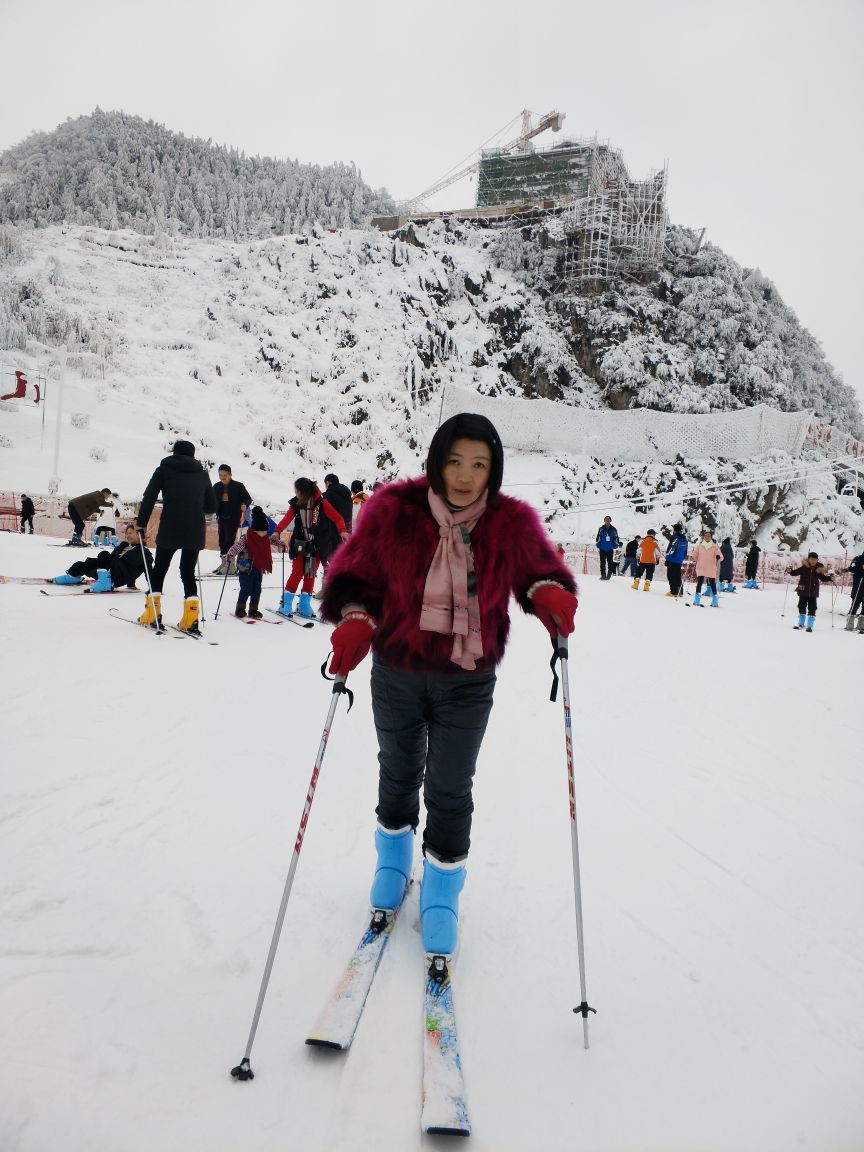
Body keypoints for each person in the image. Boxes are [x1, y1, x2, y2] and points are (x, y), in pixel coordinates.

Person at [320, 412, 578, 962]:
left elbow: (540, 571)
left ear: (494, 471)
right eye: (455, 461)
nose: (465, 475)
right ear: (437, 461)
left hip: (468, 679)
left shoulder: (509, 523)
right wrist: (356, 617)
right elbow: (355, 576)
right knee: (398, 767)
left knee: (451, 786)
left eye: (479, 464)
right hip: (397, 671)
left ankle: (440, 894)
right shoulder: (393, 511)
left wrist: (550, 593)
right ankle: (391, 866)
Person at [134, 441, 217, 632]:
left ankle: (152, 614)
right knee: (187, 572)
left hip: (171, 526)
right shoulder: (202, 474)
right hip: (195, 529)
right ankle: (191, 619)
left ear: (174, 453)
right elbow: (212, 506)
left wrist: (141, 524)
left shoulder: (163, 470)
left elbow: (149, 498)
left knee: (160, 569)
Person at [272, 478, 348, 618]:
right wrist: (277, 531)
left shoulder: (322, 503)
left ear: (304, 492)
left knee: (310, 574)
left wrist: (342, 531)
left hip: (317, 545)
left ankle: (304, 604)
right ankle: (286, 604)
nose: (296, 494)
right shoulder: (296, 503)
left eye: (297, 491)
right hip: (300, 544)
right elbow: (287, 519)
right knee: (297, 572)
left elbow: (338, 518)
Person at [53, 523, 153, 592]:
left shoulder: (144, 553)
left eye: (131, 533)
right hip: (110, 571)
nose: (127, 536)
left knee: (104, 554)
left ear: (140, 535)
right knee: (87, 563)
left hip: (117, 577)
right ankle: (72, 576)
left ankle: (105, 583)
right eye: (126, 533)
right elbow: (113, 557)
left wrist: (153, 588)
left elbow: (146, 571)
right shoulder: (124, 545)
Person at [227, 506, 273, 618]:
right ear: (255, 530)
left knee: (257, 590)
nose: (264, 534)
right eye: (262, 531)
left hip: (258, 569)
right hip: (245, 568)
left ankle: (253, 610)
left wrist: (280, 543)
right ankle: (240, 609)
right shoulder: (246, 538)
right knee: (246, 589)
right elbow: (236, 547)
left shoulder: (265, 538)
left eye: (265, 531)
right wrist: (231, 554)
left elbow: (273, 540)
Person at [212, 465, 253, 575]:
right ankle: (224, 564)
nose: (222, 477)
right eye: (220, 475)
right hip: (221, 517)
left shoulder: (238, 486)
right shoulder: (216, 486)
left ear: (230, 474)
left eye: (225, 475)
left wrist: (244, 504)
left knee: (229, 541)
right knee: (222, 541)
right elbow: (211, 499)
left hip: (233, 517)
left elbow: (247, 498)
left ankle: (230, 567)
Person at [788, 552, 833, 632]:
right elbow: (795, 572)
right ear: (808, 559)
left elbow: (823, 578)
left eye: (815, 559)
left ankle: (810, 625)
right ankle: (801, 623)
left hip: (813, 592)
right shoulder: (804, 567)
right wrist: (790, 571)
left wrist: (829, 578)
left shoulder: (818, 569)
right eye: (812, 559)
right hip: (803, 591)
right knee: (801, 606)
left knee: (812, 608)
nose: (813, 561)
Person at [691, 530, 722, 606]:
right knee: (700, 582)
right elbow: (695, 555)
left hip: (711, 567)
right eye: (705, 536)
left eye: (708, 536)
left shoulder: (715, 546)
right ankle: (697, 600)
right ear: (703, 537)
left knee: (712, 583)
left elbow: (720, 555)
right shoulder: (699, 546)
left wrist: (718, 556)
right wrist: (693, 556)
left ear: (711, 537)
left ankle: (715, 601)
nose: (707, 537)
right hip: (701, 566)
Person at [664, 523, 688, 598]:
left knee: (671, 576)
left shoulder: (674, 537)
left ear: (674, 529)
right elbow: (685, 551)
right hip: (679, 560)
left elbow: (671, 549)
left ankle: (673, 592)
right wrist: (681, 558)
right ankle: (680, 591)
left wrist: (668, 559)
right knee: (677, 576)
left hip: (672, 560)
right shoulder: (684, 539)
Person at [595, 516, 620, 580]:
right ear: (604, 521)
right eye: (605, 519)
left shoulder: (614, 529)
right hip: (602, 549)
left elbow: (616, 539)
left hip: (610, 549)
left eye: (608, 519)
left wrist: (614, 546)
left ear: (610, 520)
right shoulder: (601, 529)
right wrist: (598, 545)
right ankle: (603, 575)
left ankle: (609, 574)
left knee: (610, 562)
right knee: (602, 562)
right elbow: (598, 538)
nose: (607, 521)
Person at [844, 550, 864, 631]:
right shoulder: (858, 558)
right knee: (855, 604)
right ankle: (849, 624)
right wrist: (861, 567)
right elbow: (851, 568)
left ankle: (861, 626)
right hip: (858, 585)